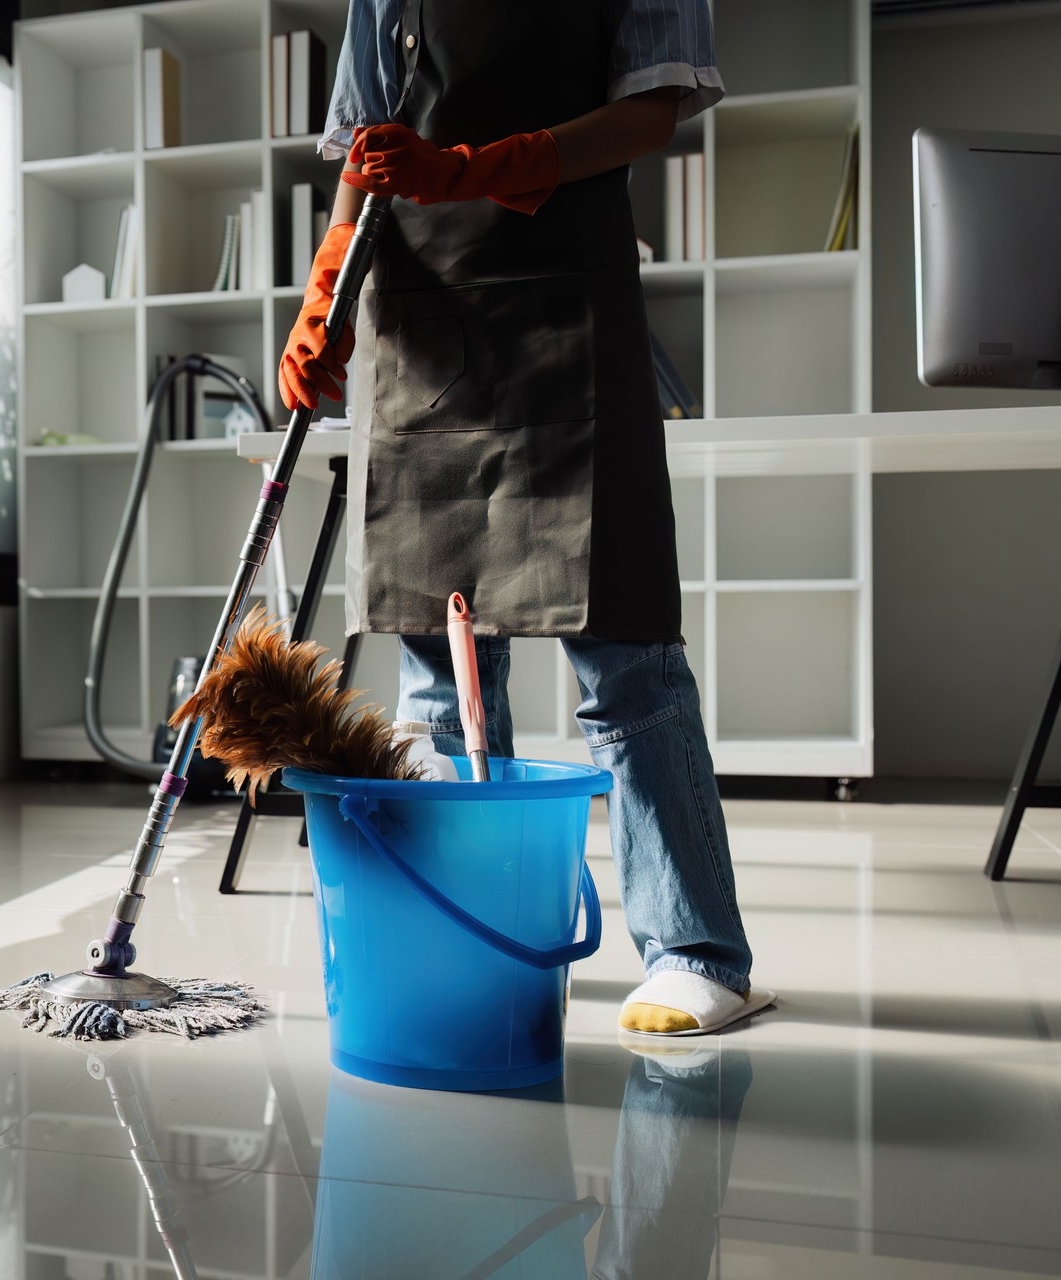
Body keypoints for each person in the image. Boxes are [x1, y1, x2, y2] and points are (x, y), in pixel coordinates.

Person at [279, 0, 771, 1036]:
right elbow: (363, 151)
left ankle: (694, 947)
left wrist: (468, 165)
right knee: (437, 660)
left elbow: (653, 112)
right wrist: (325, 290)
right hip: (420, 311)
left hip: (565, 302)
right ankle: (466, 923)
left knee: (624, 645)